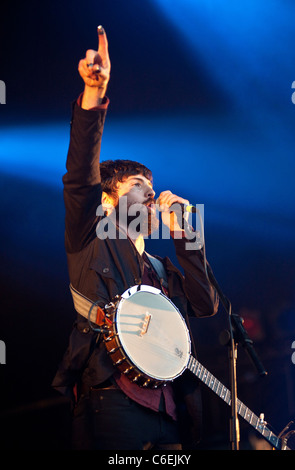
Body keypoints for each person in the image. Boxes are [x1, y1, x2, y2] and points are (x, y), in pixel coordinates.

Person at [52, 25, 219, 450]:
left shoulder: (160, 270)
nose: (151, 193)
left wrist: (187, 237)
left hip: (174, 411)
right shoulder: (91, 237)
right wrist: (93, 95)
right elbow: (79, 178)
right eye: (138, 186)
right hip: (113, 405)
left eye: (152, 185)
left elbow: (206, 304)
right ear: (108, 202)